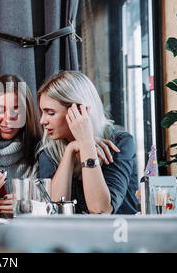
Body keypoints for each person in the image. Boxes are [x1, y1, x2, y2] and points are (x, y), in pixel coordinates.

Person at [36, 71, 138, 214]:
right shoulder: (49, 149)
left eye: (51, 113)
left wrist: (86, 144)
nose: (42, 121)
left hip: (118, 233)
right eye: (42, 112)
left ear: (79, 110)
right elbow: (52, 210)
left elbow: (101, 210)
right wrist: (70, 151)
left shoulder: (121, 143)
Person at [0, 74, 43, 216]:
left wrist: (31, 207)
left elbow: (53, 206)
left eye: (16, 109)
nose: (8, 118)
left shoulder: (41, 153)